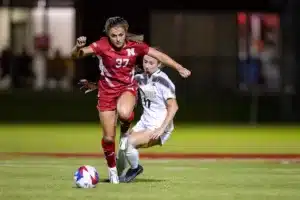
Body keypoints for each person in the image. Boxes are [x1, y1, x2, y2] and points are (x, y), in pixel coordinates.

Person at [71, 16, 191, 184]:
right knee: (112, 141)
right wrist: (79, 50)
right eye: (114, 35)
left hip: (146, 112)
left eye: (121, 35)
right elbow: (82, 58)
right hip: (123, 106)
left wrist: (179, 67)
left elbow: (160, 57)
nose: (118, 39)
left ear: (126, 33)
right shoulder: (137, 74)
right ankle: (115, 174)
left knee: (126, 126)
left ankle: (131, 151)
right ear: (108, 35)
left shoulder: (153, 68)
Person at [116, 51, 178, 182]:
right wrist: (95, 85)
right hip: (145, 122)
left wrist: (161, 129)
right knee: (122, 144)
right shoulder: (140, 78)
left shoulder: (164, 81)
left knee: (129, 143)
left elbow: (174, 107)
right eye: (145, 62)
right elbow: (117, 84)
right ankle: (117, 176)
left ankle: (135, 168)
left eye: (151, 63)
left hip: (159, 126)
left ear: (160, 64)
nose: (147, 66)